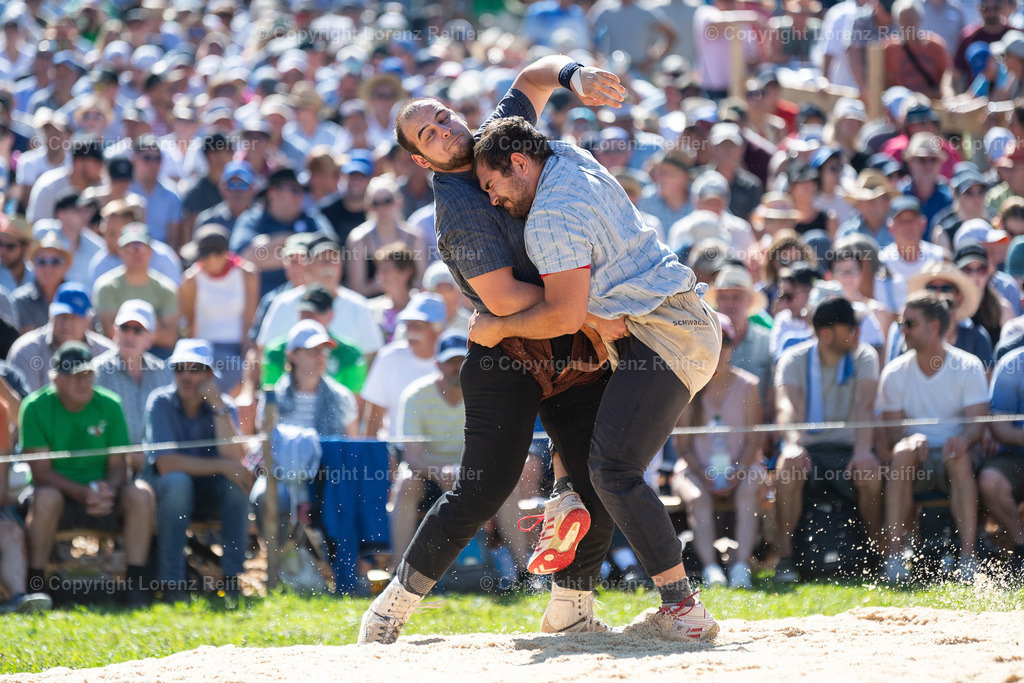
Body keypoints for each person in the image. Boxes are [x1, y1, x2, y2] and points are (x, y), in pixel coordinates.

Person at [361, 57, 626, 645]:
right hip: (506, 348)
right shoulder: (455, 205)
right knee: (485, 483)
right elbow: (504, 300)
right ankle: (391, 607)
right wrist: (590, 309)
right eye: (429, 132)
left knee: (598, 474)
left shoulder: (496, 135)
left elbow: (531, 78)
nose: (446, 128)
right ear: (420, 159)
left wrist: (573, 76)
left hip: (571, 339)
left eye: (444, 116)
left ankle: (571, 609)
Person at [472, 115, 722, 638]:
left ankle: (684, 608)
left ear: (520, 163)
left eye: (492, 186)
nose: (492, 200)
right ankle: (568, 530)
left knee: (612, 470)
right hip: (659, 326)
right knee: (590, 444)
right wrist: (571, 75)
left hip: (666, 335)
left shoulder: (548, 219)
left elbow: (563, 316)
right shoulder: (567, 156)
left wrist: (497, 327)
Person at [21, 341, 154, 607]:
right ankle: (36, 585)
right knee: (46, 498)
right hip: (58, 496)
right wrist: (84, 493)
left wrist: (109, 490)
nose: (84, 382)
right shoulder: (34, 407)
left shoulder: (110, 404)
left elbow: (118, 464)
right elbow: (41, 472)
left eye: (88, 374)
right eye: (75, 376)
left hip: (103, 496)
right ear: (57, 380)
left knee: (141, 494)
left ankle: (137, 586)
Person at [876, 292, 989, 583]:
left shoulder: (968, 366)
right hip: (915, 460)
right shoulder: (894, 372)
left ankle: (968, 557)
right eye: (902, 322)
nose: (903, 330)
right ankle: (895, 555)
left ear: (933, 326)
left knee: (959, 457)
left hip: (957, 458)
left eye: (910, 323)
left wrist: (963, 439)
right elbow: (892, 432)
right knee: (902, 452)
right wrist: (909, 439)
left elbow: (977, 426)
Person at [773, 297, 883, 583]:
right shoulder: (793, 359)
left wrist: (862, 452)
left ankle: (875, 552)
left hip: (849, 448)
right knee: (787, 466)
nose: (858, 333)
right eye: (851, 328)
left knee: (870, 473)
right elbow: (787, 408)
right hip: (808, 448)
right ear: (825, 334)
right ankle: (786, 558)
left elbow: (864, 405)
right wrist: (793, 444)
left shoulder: (864, 355)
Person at [144, 339, 252, 599]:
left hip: (206, 492)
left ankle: (232, 578)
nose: (185, 376)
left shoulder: (224, 405)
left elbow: (234, 458)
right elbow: (167, 464)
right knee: (178, 483)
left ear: (209, 375)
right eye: (179, 369)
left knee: (233, 486)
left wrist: (217, 407)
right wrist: (223, 466)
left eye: (194, 369)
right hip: (166, 492)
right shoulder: (160, 402)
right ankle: (172, 583)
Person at [672, 313, 763, 589]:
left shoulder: (749, 385)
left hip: (743, 467)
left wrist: (736, 473)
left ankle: (740, 568)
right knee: (698, 497)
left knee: (749, 490)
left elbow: (753, 442)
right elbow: (682, 446)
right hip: (696, 469)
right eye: (714, 341)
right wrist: (704, 473)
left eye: (726, 341)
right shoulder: (688, 385)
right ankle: (711, 569)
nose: (720, 349)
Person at [390, 330, 470, 568]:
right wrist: (441, 472)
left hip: (471, 472)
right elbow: (411, 457)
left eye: (462, 360)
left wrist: (464, 473)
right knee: (405, 484)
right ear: (437, 364)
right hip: (428, 475)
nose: (457, 367)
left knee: (509, 485)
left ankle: (522, 571)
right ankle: (399, 570)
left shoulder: (484, 394)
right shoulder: (416, 396)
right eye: (451, 361)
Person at [179, 224, 259, 393]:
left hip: (236, 350)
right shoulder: (191, 280)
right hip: (203, 350)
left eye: (205, 257)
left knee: (238, 372)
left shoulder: (247, 275)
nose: (200, 261)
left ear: (222, 255)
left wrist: (247, 361)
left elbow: (249, 322)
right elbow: (190, 324)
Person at [229, 167, 335, 295]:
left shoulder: (311, 218)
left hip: (307, 299)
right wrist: (297, 243)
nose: (300, 197)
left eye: (302, 192)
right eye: (294, 191)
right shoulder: (252, 220)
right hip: (259, 301)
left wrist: (272, 247)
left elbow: (330, 253)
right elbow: (243, 259)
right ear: (273, 193)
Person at [360, 293, 446, 438]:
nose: (411, 332)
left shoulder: (452, 362)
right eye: (409, 325)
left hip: (442, 454)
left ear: (438, 330)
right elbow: (374, 414)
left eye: (418, 326)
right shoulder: (389, 357)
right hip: (396, 452)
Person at [93, 300, 173, 454]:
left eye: (137, 330)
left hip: (157, 461)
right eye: (124, 328)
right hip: (112, 462)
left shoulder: (163, 373)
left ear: (150, 338)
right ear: (116, 332)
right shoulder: (96, 372)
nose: (129, 335)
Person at [9, 282, 116, 393]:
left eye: (74, 317)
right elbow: (24, 406)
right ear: (51, 315)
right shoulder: (27, 350)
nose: (66, 324)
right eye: (62, 316)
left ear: (88, 320)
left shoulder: (106, 352)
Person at [261, 284, 367, 395]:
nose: (309, 317)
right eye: (304, 312)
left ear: (331, 315)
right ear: (292, 355)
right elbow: (272, 402)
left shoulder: (351, 354)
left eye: (316, 313)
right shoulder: (274, 352)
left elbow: (353, 408)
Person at [92, 223, 178, 354]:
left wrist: (128, 331)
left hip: (155, 352)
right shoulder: (106, 286)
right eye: (130, 248)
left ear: (150, 252)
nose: (136, 253)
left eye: (141, 248)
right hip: (116, 352)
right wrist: (152, 329)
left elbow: (170, 338)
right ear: (120, 253)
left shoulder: (166, 289)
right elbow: (110, 333)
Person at [344, 177, 427, 299]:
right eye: (376, 203)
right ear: (368, 206)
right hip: (371, 309)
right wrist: (391, 282)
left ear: (399, 201)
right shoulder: (358, 239)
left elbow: (420, 283)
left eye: (387, 201)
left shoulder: (414, 237)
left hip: (408, 306)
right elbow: (356, 290)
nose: (382, 208)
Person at [982, 346, 1024, 575]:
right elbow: (999, 426)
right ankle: (1021, 549)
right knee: (990, 480)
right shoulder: (1013, 365)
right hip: (1015, 456)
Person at [129, 135, 184, 249]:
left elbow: (173, 238)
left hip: (161, 254)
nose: (152, 163)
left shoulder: (172, 194)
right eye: (147, 158)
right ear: (134, 159)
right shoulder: (124, 189)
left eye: (157, 158)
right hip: (128, 253)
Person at [0, 216, 35, 296]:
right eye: (0, 244)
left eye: (10, 246)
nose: (3, 251)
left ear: (26, 247)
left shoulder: (37, 275)